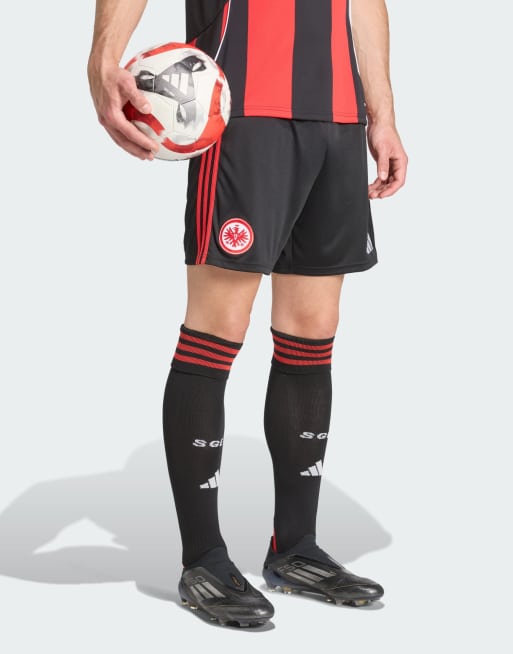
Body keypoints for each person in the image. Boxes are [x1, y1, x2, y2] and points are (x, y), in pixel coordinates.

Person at [88, 0, 408, 628]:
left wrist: (383, 113)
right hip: (240, 112)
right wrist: (102, 60)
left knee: (313, 331)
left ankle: (295, 549)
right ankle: (203, 560)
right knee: (217, 328)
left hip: (338, 118)